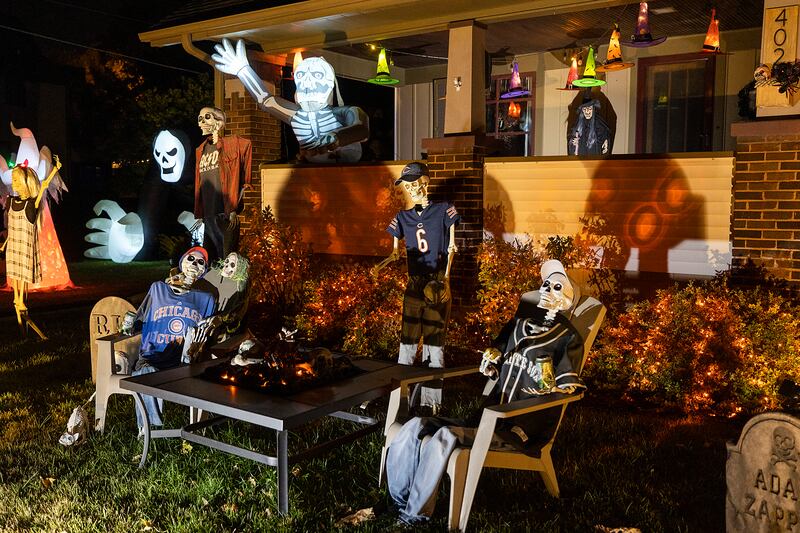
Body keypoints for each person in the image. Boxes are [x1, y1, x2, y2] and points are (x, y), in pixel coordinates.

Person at [386, 260, 586, 525]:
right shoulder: (518, 325)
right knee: (413, 426)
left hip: (518, 429)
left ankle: (414, 515)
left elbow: (568, 387)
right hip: (483, 420)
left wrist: (554, 384)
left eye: (557, 287)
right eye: (546, 284)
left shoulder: (567, 338)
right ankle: (398, 502)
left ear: (568, 299)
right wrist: (491, 363)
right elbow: (496, 359)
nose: (547, 289)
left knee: (444, 436)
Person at [374, 161, 459, 409]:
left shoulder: (444, 210)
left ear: (425, 182)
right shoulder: (402, 217)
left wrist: (446, 279)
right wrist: (380, 265)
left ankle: (431, 403)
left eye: (414, 183)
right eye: (407, 185)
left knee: (435, 344)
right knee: (407, 343)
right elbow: (395, 253)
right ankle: (400, 400)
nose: (411, 189)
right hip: (414, 283)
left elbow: (452, 247)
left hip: (436, 281)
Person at [129, 247, 216, 430]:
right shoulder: (158, 289)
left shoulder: (206, 299)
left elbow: (206, 335)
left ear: (203, 271)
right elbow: (138, 320)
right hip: (152, 356)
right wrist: (128, 325)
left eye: (201, 262)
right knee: (147, 372)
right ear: (182, 262)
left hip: (182, 361)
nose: (195, 264)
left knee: (149, 375)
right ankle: (148, 429)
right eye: (191, 259)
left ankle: (149, 431)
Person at [0, 156, 62, 339]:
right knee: (16, 288)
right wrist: (5, 244)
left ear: (26, 182)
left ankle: (24, 324)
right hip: (14, 249)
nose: (14, 184)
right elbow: (12, 228)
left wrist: (54, 170)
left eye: (17, 180)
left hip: (25, 250)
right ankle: (23, 325)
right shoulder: (11, 202)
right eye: (13, 181)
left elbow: (43, 187)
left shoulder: (31, 204)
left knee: (21, 291)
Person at [195, 106, 252, 261]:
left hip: (225, 211)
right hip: (208, 211)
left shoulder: (231, 145)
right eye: (200, 118)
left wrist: (234, 205)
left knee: (228, 257)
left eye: (207, 117)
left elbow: (246, 148)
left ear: (219, 122)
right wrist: (199, 210)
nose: (201, 122)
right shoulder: (200, 150)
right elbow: (200, 181)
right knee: (211, 256)